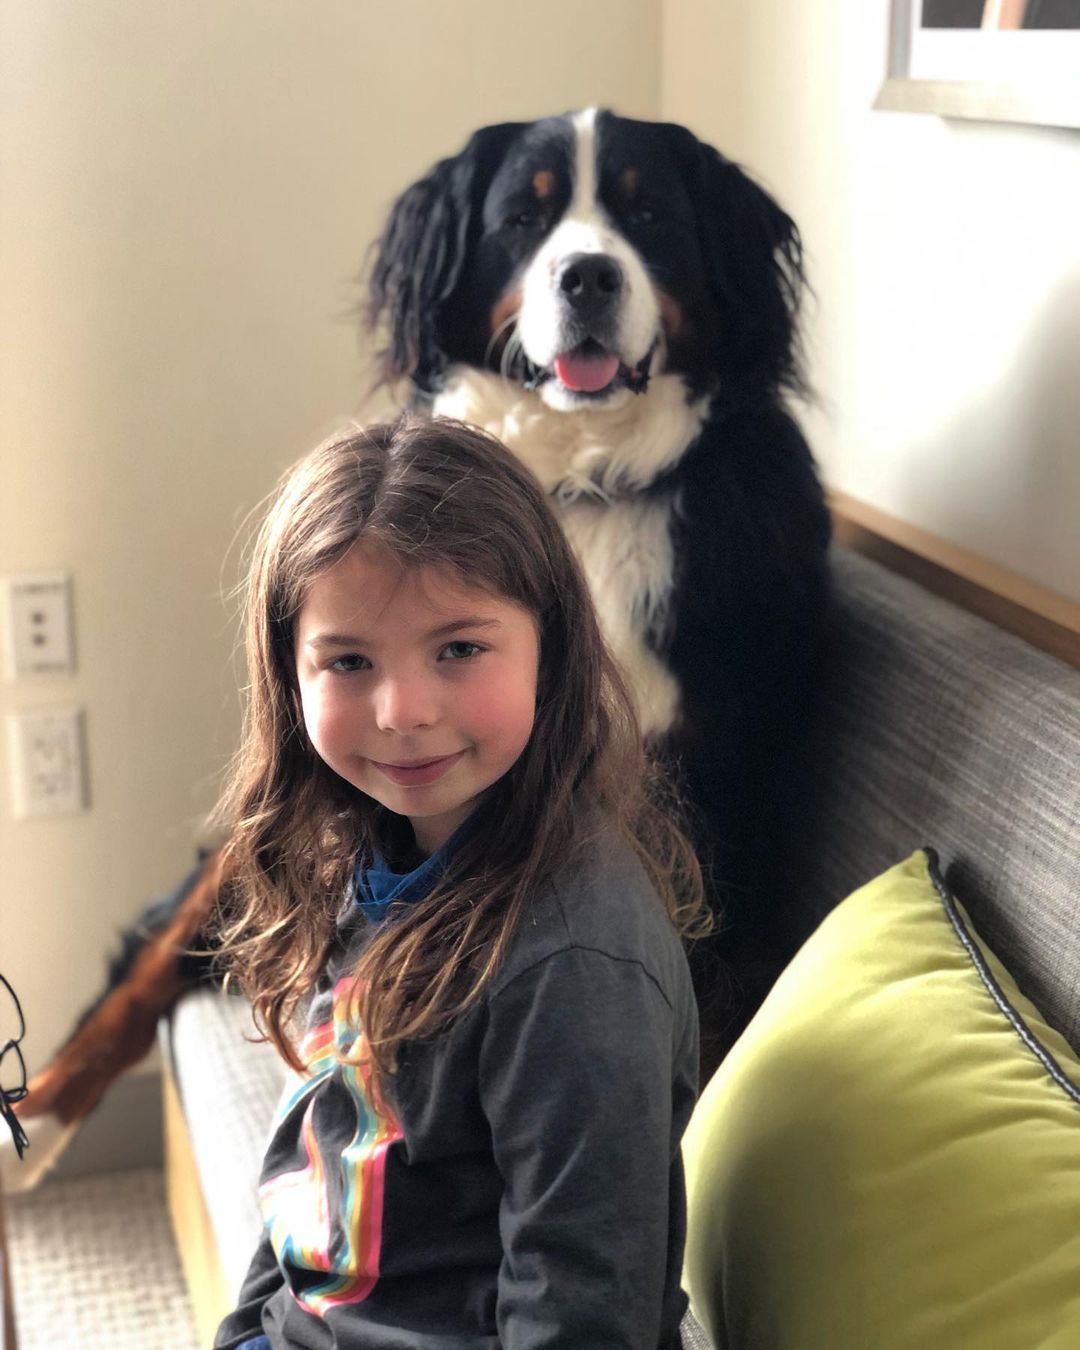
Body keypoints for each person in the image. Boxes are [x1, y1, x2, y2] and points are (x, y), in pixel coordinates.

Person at [211, 414, 709, 1350]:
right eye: (349, 661)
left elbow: (582, 1311)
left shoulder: (573, 965)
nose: (401, 713)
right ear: (289, 673)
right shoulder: (372, 846)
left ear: (550, 648)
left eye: (459, 650)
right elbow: (314, 1161)